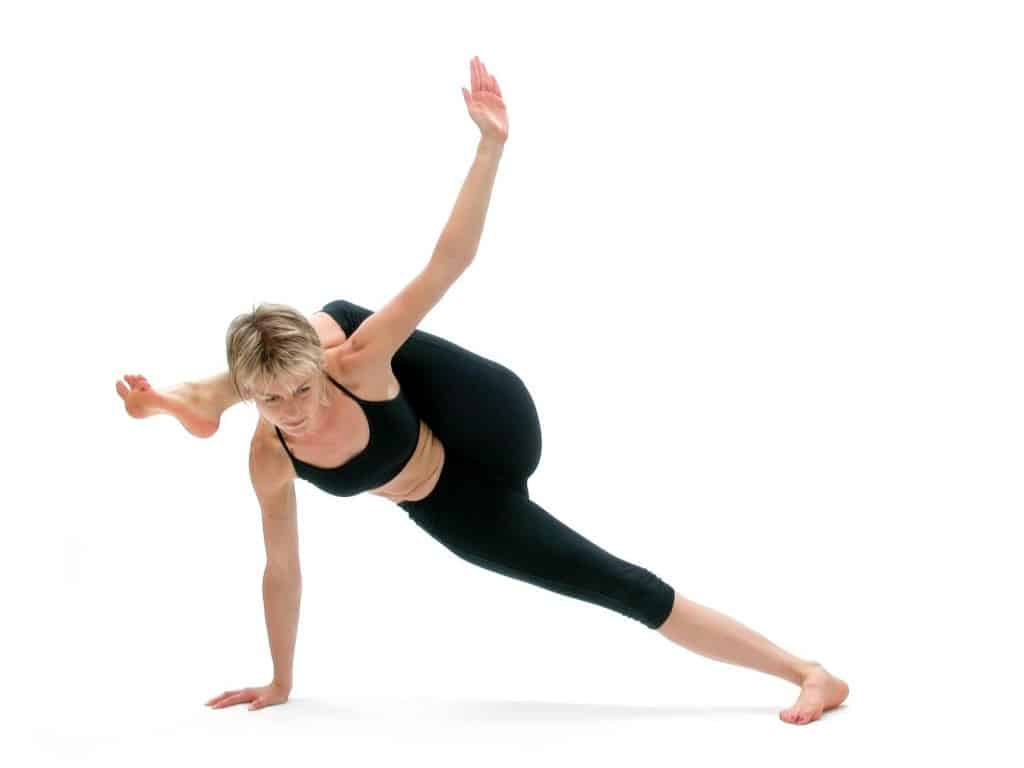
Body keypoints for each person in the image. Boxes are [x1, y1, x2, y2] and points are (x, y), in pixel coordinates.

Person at [116, 56, 849, 725]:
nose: (296, 413)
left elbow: (448, 262)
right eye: (271, 401)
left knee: (345, 319)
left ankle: (202, 392)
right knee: (619, 585)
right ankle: (808, 673)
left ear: (318, 373)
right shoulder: (272, 456)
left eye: (301, 390)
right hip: (450, 500)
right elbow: (282, 566)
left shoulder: (356, 360)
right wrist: (280, 679)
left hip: (492, 422)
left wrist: (489, 146)